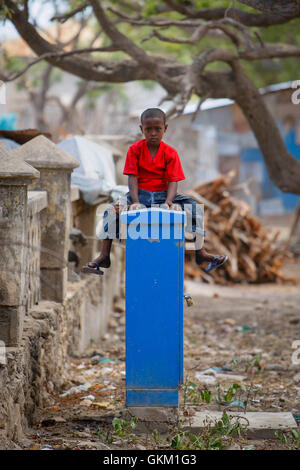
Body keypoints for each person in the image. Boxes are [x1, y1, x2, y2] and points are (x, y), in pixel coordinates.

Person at [82, 108, 228, 275]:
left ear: (165, 128)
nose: (153, 133)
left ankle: (200, 252)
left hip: (163, 194)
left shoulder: (170, 153)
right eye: (148, 129)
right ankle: (104, 255)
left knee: (195, 208)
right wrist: (135, 202)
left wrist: (169, 202)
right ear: (141, 129)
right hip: (139, 194)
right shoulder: (134, 150)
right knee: (111, 210)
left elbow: (173, 181)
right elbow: (132, 179)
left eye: (157, 129)